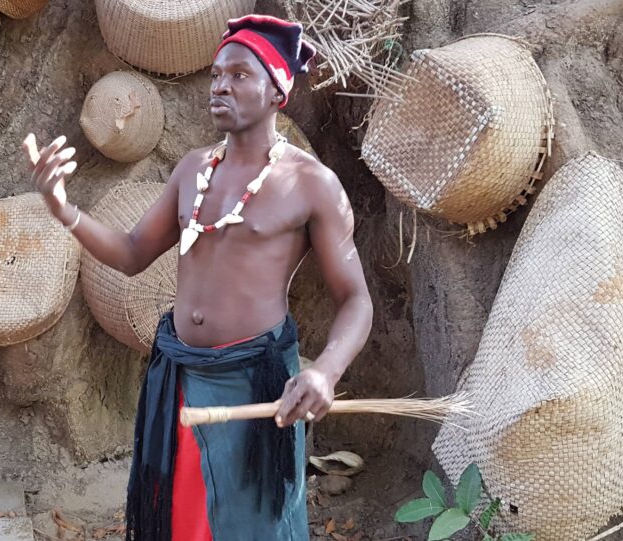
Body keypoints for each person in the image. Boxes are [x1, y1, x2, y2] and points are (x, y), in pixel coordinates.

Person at [23, 14, 373, 541]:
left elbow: (356, 300)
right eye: (216, 75)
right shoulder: (193, 169)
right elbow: (132, 254)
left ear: (277, 91)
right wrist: (64, 209)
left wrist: (325, 371)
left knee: (253, 523)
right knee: (183, 519)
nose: (220, 86)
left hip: (254, 381)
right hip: (182, 375)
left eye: (239, 75)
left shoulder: (311, 184)